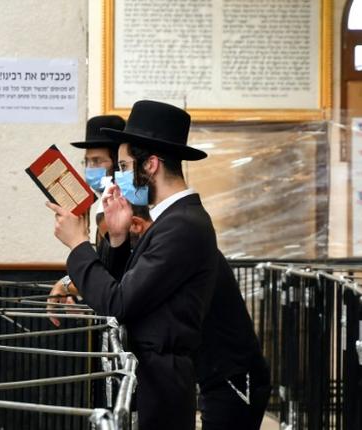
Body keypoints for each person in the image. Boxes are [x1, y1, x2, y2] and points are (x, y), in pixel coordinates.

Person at [47, 100, 218, 430]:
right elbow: (123, 283)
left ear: (150, 164)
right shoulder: (170, 219)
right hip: (150, 377)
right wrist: (117, 238)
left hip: (162, 385)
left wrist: (78, 243)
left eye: (124, 166)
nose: (120, 176)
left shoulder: (183, 224)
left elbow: (119, 302)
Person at [59, 202, 271, 429]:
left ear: (137, 225)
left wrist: (76, 249)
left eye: (108, 235)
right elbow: (122, 285)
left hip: (232, 374)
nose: (109, 246)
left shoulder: (172, 245)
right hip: (212, 371)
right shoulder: (164, 246)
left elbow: (119, 298)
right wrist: (66, 283)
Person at [48, 115, 127, 325]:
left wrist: (65, 286)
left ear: (118, 164)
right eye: (87, 161)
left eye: (98, 161)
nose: (91, 168)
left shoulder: (123, 207)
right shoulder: (100, 203)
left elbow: (113, 276)